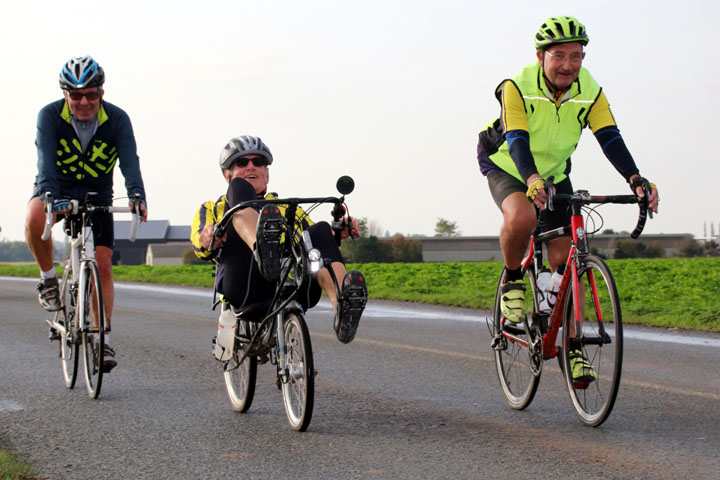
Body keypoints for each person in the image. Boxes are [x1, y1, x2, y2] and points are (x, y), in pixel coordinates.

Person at [476, 16, 659, 381]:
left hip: (555, 172)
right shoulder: (517, 86)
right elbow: (517, 140)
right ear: (541, 56)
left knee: (567, 262)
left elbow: (609, 137)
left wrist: (635, 178)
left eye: (576, 56)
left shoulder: (590, 90)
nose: (568, 65)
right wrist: (530, 179)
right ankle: (514, 280)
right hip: (508, 164)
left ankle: (571, 345)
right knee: (523, 218)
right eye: (559, 56)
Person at [25, 55, 148, 372]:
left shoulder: (117, 119)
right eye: (75, 94)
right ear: (65, 93)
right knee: (34, 218)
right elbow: (45, 160)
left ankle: (103, 339)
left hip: (97, 194)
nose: (83, 101)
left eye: (91, 94)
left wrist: (137, 195)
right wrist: (51, 196)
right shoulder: (50, 116)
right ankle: (49, 279)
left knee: (103, 265)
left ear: (101, 93)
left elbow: (129, 161)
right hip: (58, 188)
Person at [191, 135, 367, 350]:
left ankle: (343, 306)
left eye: (258, 162)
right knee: (241, 194)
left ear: (267, 174)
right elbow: (199, 242)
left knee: (319, 229)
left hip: (288, 285)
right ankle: (262, 249)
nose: (251, 167)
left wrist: (338, 231)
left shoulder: (282, 208)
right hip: (244, 286)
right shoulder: (212, 208)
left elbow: (310, 238)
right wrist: (208, 237)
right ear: (228, 174)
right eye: (242, 162)